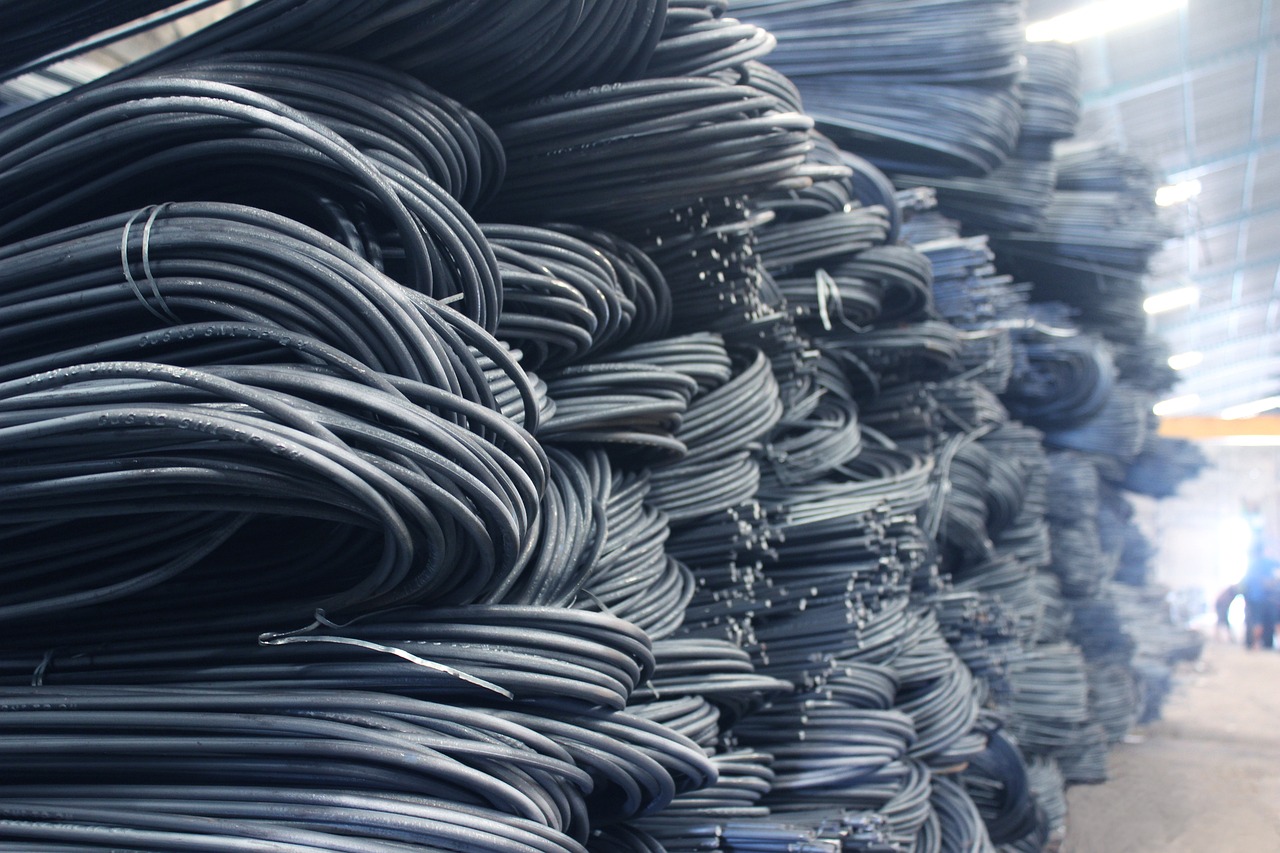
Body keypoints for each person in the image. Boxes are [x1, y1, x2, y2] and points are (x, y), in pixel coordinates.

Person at [1242, 540, 1278, 650]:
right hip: (1269, 599)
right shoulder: (1269, 562)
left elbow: (1245, 583)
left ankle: (1255, 644)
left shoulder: (1252, 565)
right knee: (1275, 621)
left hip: (1255, 599)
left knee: (1257, 622)